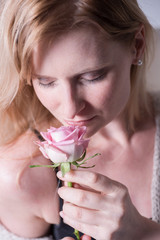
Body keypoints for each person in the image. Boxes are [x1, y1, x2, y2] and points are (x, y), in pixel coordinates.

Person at [0, 0, 160, 239]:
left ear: (136, 45)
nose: (71, 108)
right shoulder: (20, 176)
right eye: (45, 81)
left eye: (92, 76)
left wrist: (146, 234)